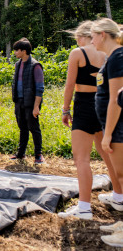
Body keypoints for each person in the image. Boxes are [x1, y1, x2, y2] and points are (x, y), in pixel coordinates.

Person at [58, 21, 121, 220]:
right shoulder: (109, 54)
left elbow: (70, 85)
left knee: (82, 159)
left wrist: (66, 109)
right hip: (102, 106)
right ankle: (119, 195)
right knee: (109, 155)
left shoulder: (78, 53)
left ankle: (84, 207)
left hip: (84, 105)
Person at [91, 18, 123, 213]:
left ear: (103, 35)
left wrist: (108, 134)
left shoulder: (118, 56)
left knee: (121, 176)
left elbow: (116, 99)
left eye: (93, 36)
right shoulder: (112, 57)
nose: (92, 41)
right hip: (113, 126)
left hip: (118, 128)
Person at [11, 38, 45, 164]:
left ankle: (38, 155)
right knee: (22, 127)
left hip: (30, 103)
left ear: (24, 51)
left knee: (34, 128)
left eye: (17, 50)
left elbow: (40, 88)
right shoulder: (17, 64)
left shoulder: (35, 66)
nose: (15, 52)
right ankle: (21, 154)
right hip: (19, 101)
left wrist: (36, 106)